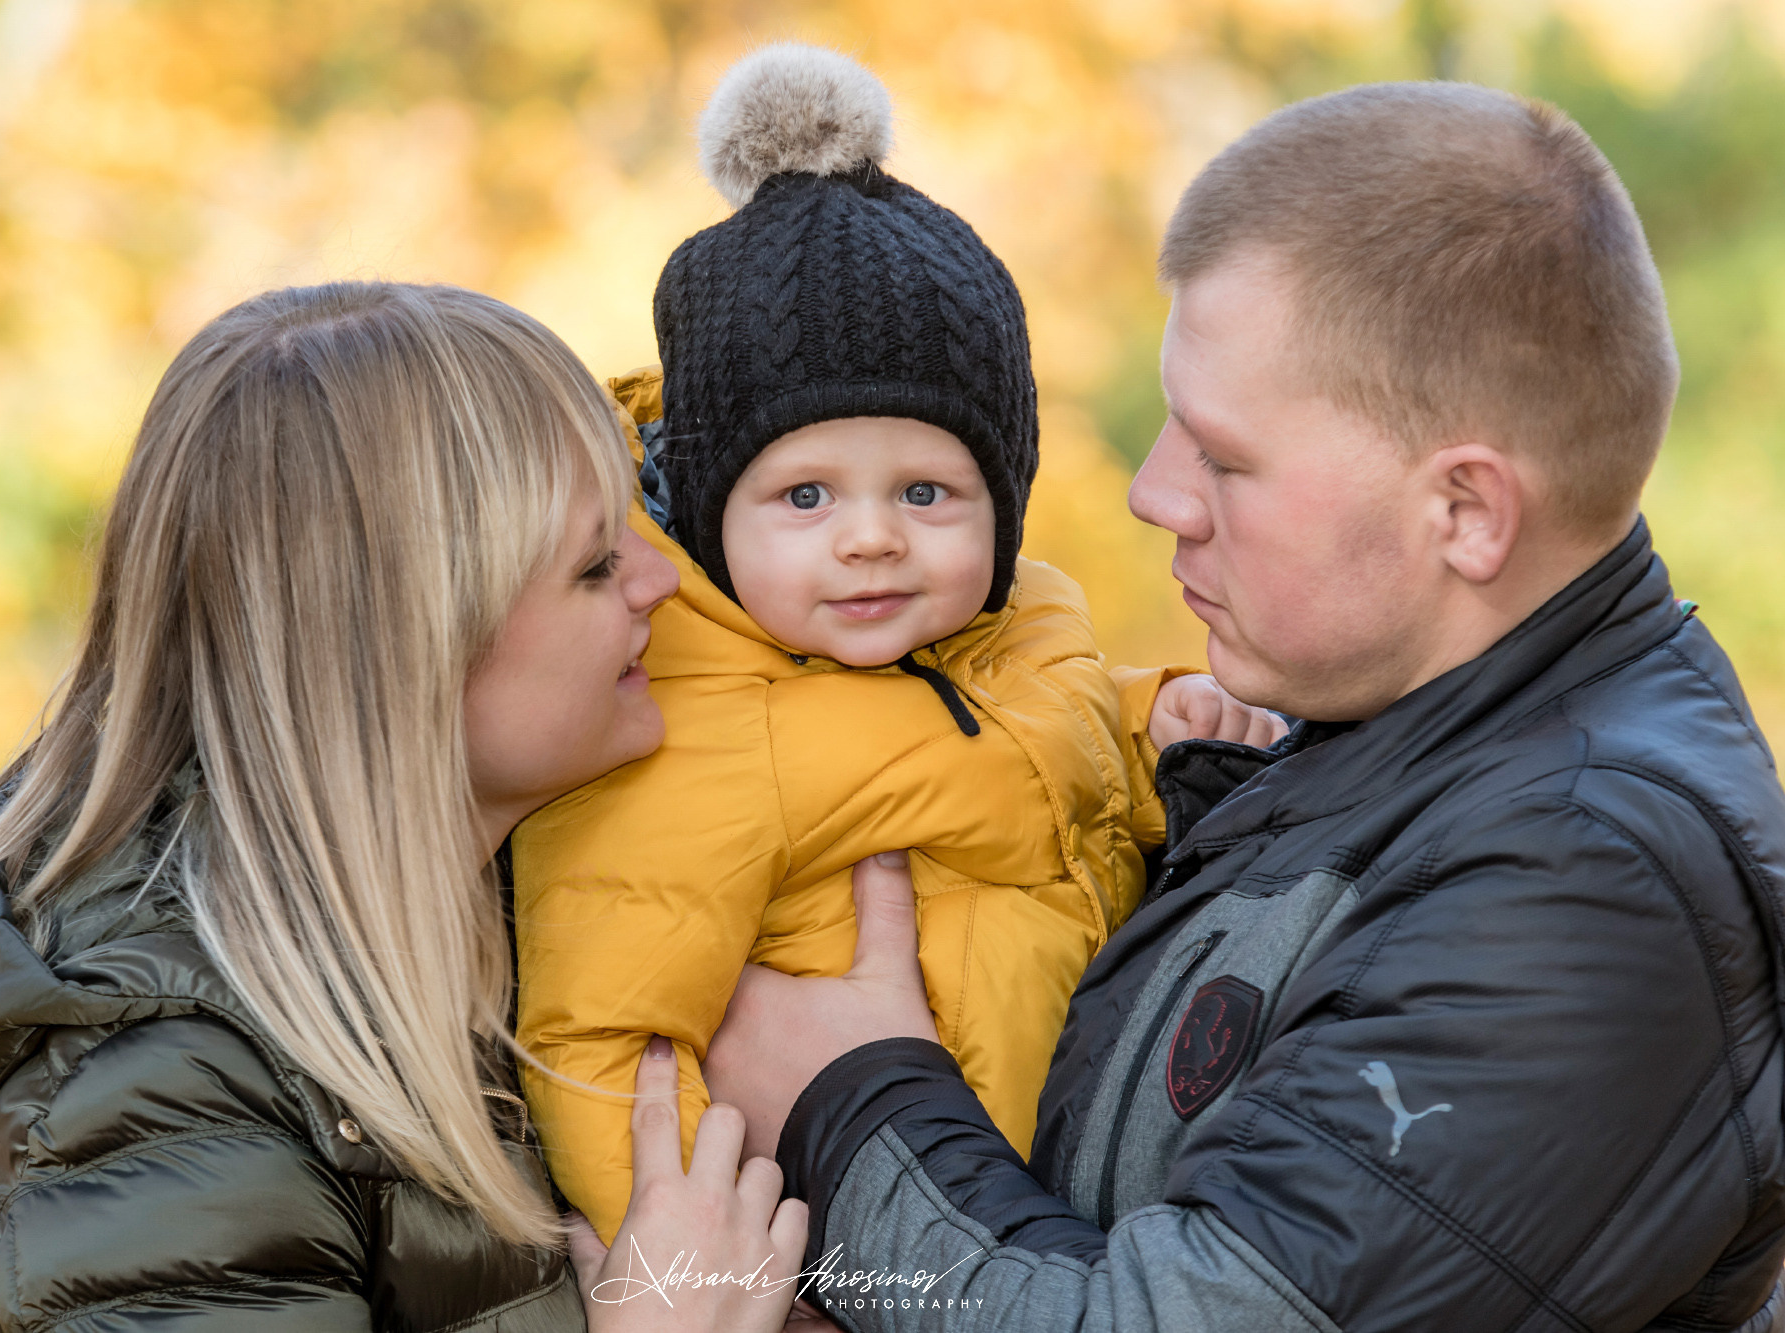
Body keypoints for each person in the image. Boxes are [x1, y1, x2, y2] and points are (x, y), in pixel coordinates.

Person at [702, 83, 1785, 1331]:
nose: (1155, 492)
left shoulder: (1588, 881)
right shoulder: (1380, 730)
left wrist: (849, 1103)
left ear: (1466, 514)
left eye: (1224, 456)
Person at [0, 282, 810, 1332]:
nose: (665, 581)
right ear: (402, 649)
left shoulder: (529, 893)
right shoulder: (153, 1100)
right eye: (595, 563)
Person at [509, 45, 1281, 1244]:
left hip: (1052, 1212)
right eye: (805, 498)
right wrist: (699, 1268)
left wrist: (1159, 727)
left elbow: (1056, 760)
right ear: (713, 512)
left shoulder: (1030, 622)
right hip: (860, 1246)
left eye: (925, 493)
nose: (870, 541)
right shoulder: (686, 719)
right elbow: (602, 1036)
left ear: (1004, 499)